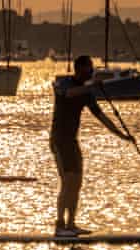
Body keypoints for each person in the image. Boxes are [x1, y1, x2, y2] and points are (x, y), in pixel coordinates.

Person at [50, 55, 133, 237]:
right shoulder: (64, 83)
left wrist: (123, 136)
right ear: (79, 70)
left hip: (72, 140)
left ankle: (71, 224)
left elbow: (102, 118)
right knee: (68, 182)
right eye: (89, 70)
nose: (92, 72)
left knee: (77, 183)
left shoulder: (87, 93)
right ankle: (60, 225)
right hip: (59, 140)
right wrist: (91, 86)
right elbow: (68, 93)